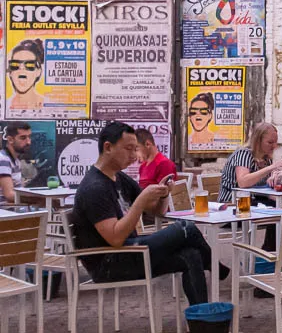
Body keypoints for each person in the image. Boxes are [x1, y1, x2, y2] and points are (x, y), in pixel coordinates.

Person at [70, 121, 224, 306]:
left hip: (131, 251)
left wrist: (164, 194)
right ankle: (218, 268)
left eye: (136, 149)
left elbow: (156, 211)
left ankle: (203, 324)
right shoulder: (94, 187)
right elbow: (115, 238)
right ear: (108, 147)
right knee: (185, 228)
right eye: (128, 149)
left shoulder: (120, 178)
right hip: (109, 263)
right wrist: (141, 201)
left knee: (191, 254)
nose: (134, 156)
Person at [218, 122, 282, 204]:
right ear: (258, 141)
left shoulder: (266, 158)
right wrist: (271, 167)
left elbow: (266, 186)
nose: (274, 146)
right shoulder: (243, 154)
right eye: (270, 142)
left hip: (255, 202)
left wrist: (276, 177)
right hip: (232, 202)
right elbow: (243, 182)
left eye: (276, 142)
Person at [7, 39, 45, 112]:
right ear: (10, 72)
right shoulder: (4, 105)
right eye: (15, 64)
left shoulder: (51, 105)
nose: (21, 69)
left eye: (29, 65)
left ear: (38, 72)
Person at [0, 122, 31, 204]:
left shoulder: (16, 160)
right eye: (23, 138)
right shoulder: (3, 159)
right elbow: (9, 195)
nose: (28, 142)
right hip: (5, 213)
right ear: (10, 140)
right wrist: (39, 199)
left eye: (29, 137)